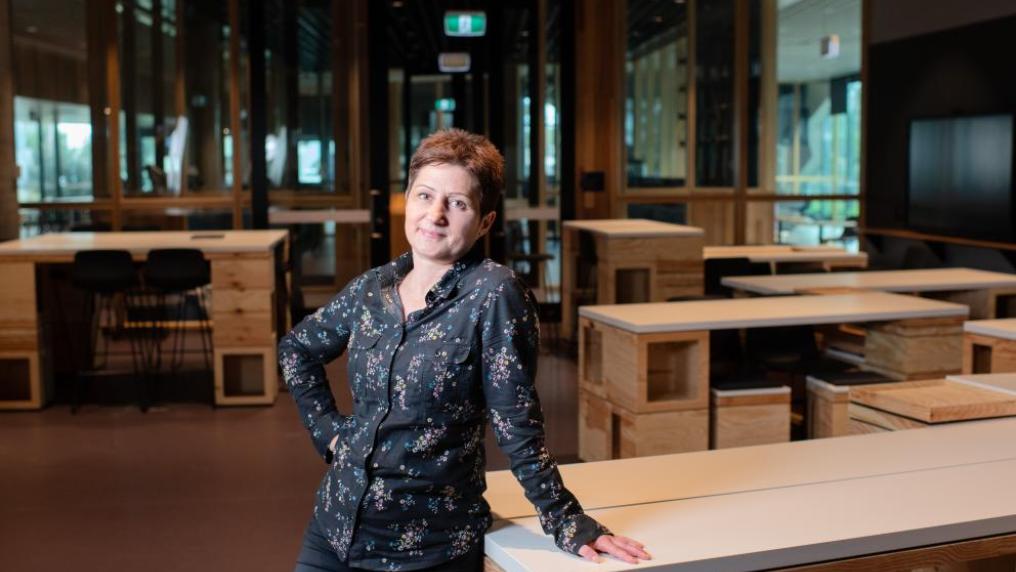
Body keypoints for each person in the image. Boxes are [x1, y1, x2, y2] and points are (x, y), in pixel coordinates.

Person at [279, 129, 651, 571]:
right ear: (408, 199)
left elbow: (517, 423)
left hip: (428, 549)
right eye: (424, 196)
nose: (434, 214)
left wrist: (566, 520)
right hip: (335, 530)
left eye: (457, 204)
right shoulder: (373, 288)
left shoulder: (494, 295)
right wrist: (330, 432)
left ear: (485, 221)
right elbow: (296, 349)